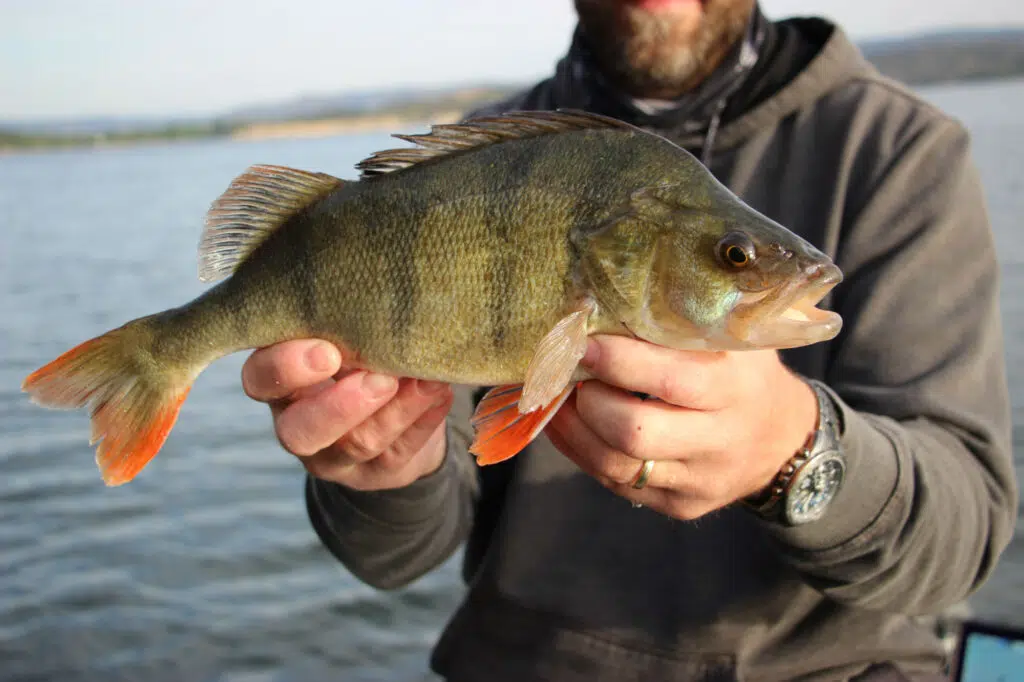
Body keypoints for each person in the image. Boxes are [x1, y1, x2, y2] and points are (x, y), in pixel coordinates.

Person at [239, 1, 1017, 680]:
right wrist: (381, 468)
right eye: (736, 258)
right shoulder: (476, 161)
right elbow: (393, 557)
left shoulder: (899, 151)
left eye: (730, 255)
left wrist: (797, 450)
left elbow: (963, 537)